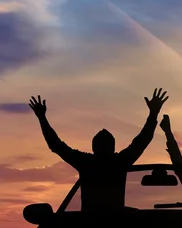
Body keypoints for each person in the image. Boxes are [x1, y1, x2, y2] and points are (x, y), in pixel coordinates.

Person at [28, 89, 169, 213]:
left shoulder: (86, 163)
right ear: (113, 147)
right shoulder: (119, 161)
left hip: (90, 225)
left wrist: (42, 118)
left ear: (93, 147)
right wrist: (153, 113)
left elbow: (56, 145)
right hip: (112, 224)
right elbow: (142, 141)